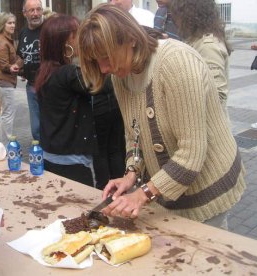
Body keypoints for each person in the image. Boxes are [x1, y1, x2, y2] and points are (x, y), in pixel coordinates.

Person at [78, 4, 246, 229]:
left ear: (132, 40)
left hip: (208, 187)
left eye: (106, 57)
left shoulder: (177, 63)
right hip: (170, 189)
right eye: (96, 61)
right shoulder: (121, 74)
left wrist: (142, 194)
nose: (104, 68)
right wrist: (131, 174)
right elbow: (134, 134)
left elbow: (192, 153)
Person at [35, 14, 96, 187]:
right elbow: (102, 84)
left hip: (51, 155)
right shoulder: (68, 73)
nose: (82, 39)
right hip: (72, 162)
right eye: (77, 34)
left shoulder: (46, 70)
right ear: (65, 42)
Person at [170, 0, 231, 114]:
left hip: (207, 128)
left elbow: (218, 97)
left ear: (190, 16)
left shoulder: (208, 46)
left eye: (178, 15)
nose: (175, 21)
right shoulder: (194, 40)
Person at [0, 12, 23, 145]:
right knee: (8, 114)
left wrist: (17, 63)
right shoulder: (2, 42)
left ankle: (4, 143)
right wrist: (17, 65)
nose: (12, 25)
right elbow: (5, 66)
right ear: (2, 25)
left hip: (3, 80)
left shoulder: (7, 39)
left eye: (13, 23)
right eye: (9, 23)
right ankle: (8, 145)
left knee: (5, 113)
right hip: (4, 81)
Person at [16, 0, 44, 141]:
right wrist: (17, 66)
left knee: (51, 123)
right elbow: (22, 56)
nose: (36, 14)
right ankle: (40, 156)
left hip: (49, 85)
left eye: (38, 9)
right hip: (32, 86)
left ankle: (50, 156)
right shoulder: (23, 32)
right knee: (36, 127)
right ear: (24, 13)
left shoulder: (49, 29)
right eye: (31, 10)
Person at [92, 77, 126, 190]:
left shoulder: (93, 66)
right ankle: (119, 185)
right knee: (115, 149)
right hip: (115, 105)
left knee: (100, 151)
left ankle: (104, 187)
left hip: (100, 109)